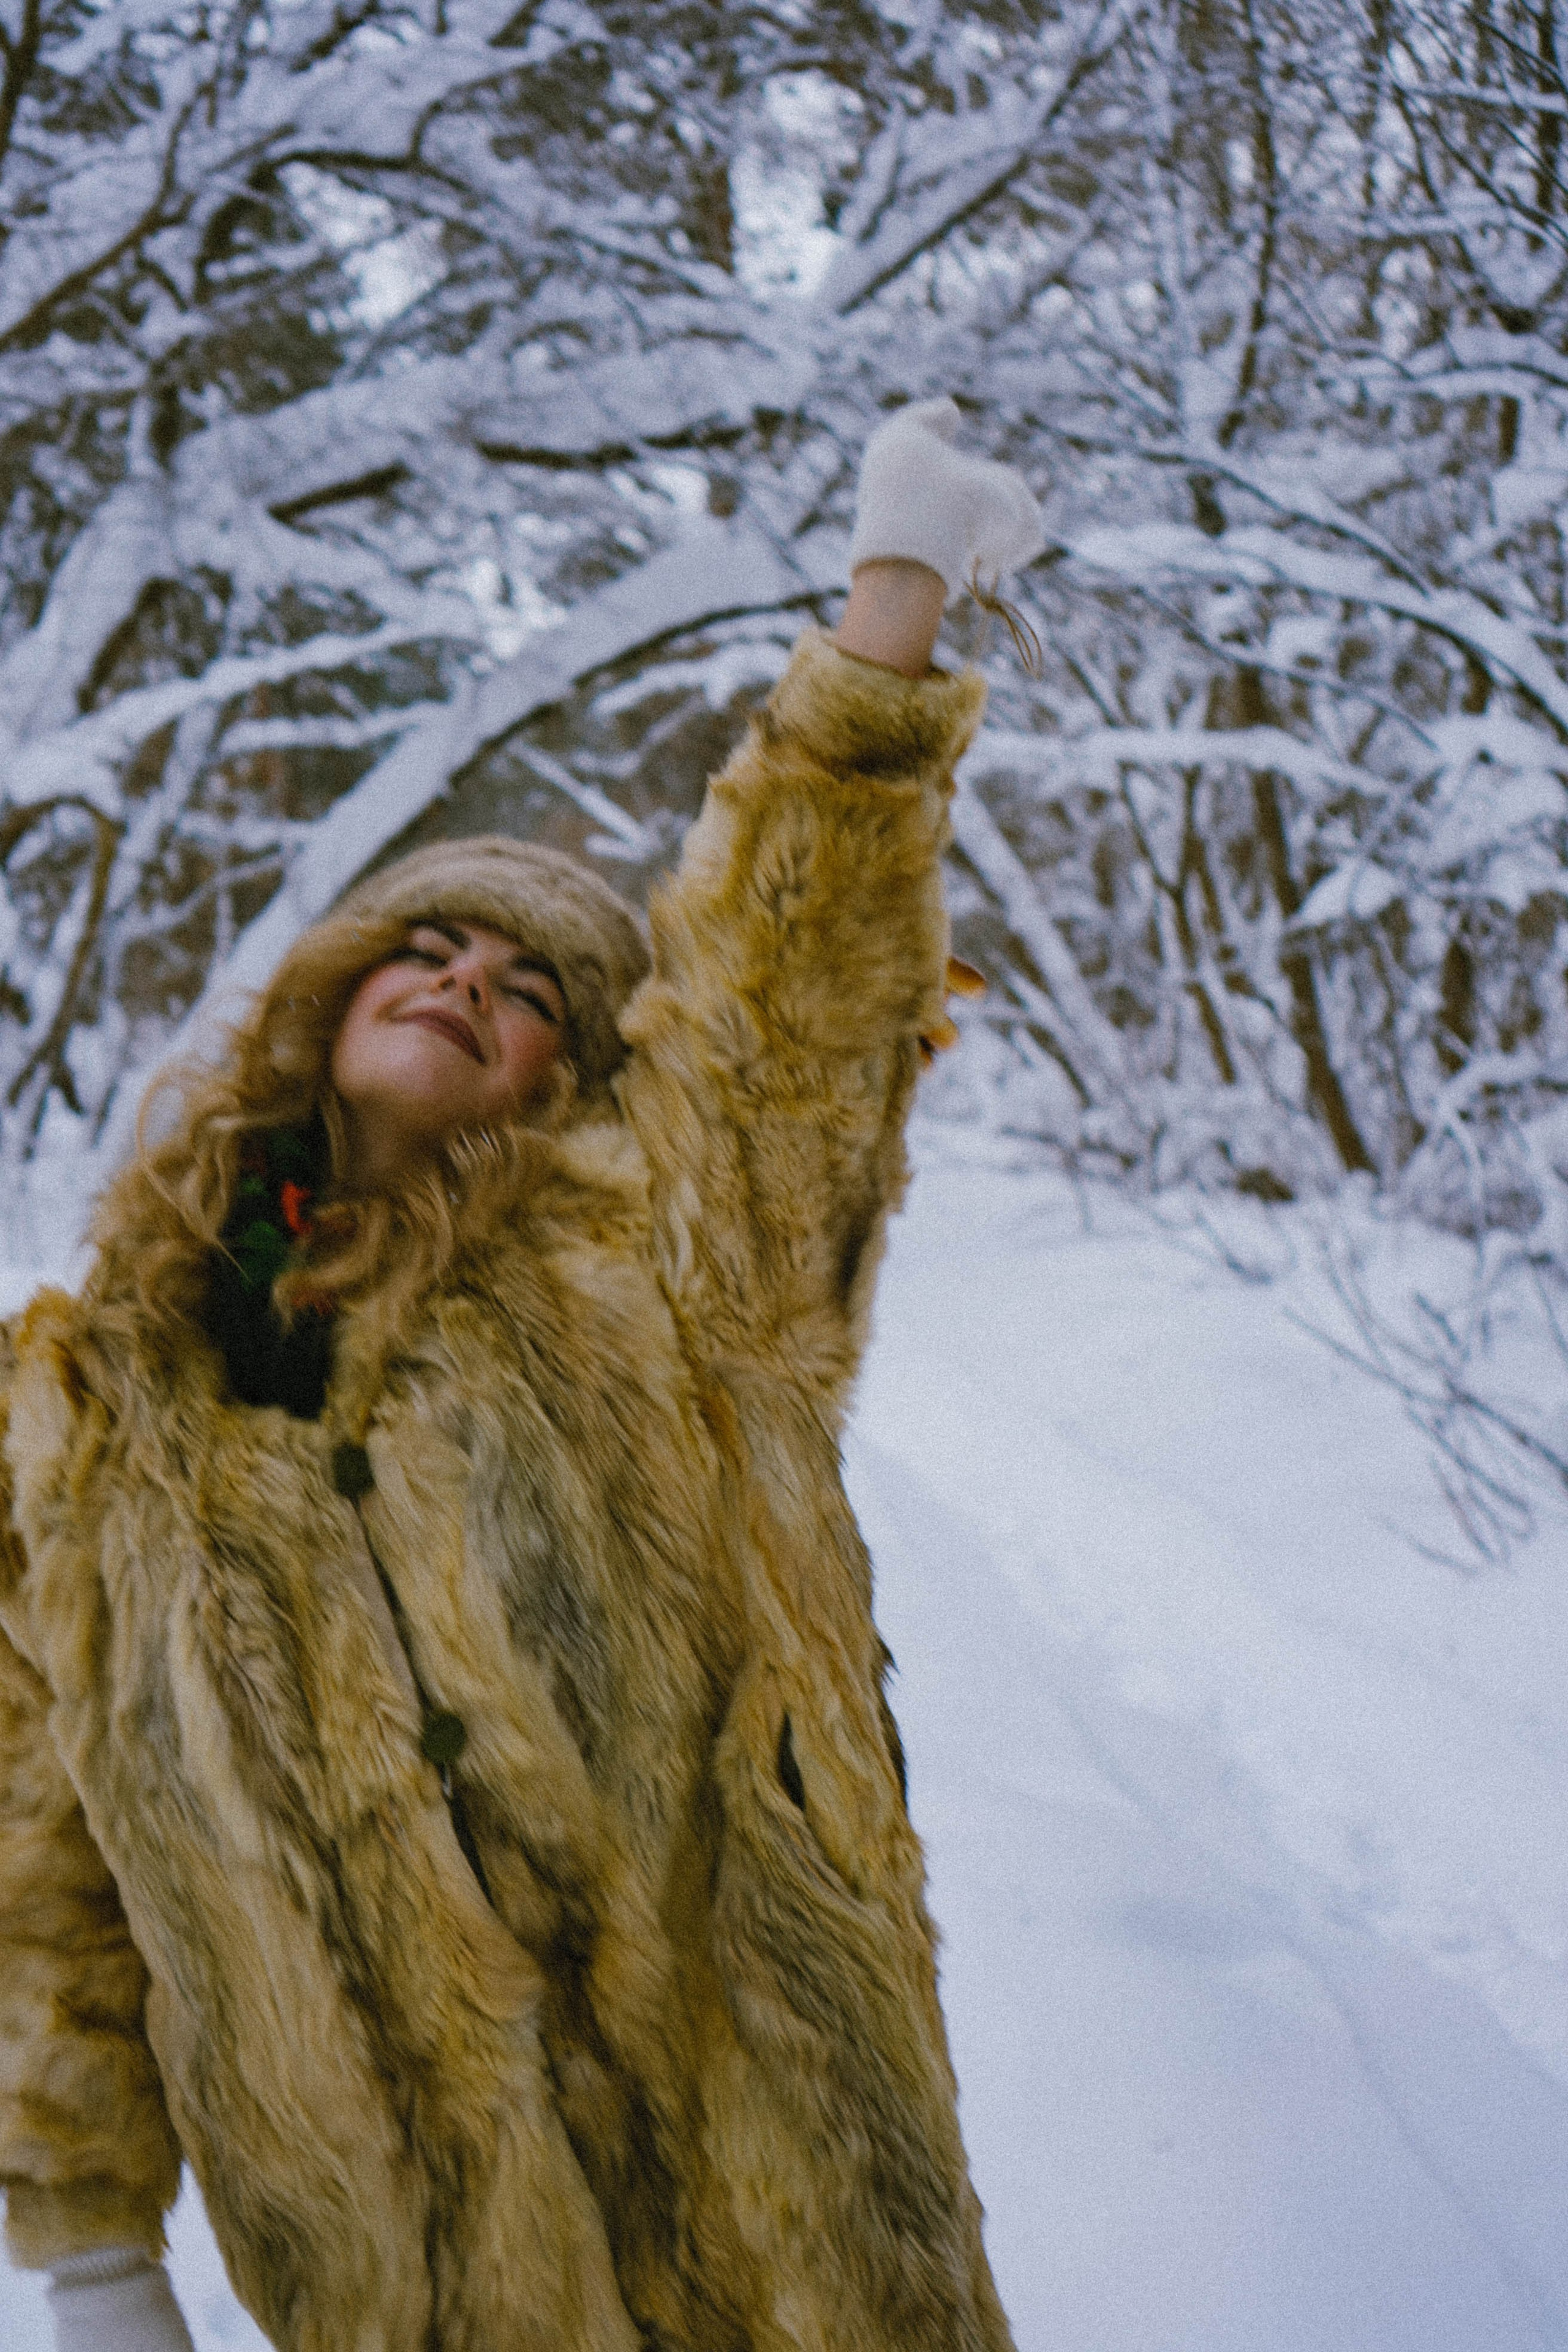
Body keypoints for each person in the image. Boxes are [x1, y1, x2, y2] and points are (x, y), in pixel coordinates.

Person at [0, 400, 1044, 2352]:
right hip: (401, 2281)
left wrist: (887, 608)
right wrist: (91, 2244)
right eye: (435, 942)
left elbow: (792, 1013)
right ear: (329, 999)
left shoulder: (669, 1273)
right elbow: (45, 1853)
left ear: (570, 1080)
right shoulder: (78, 1413)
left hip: (783, 2231)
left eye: (536, 985)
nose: (475, 977)